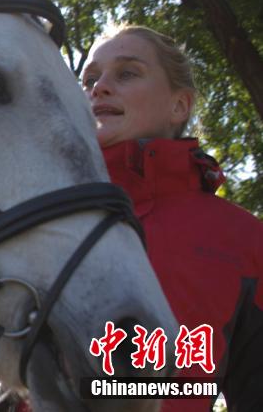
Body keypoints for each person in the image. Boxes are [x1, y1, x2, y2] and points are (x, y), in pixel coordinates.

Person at [81, 25, 263, 411]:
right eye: (91, 79)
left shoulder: (245, 242)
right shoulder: (36, 218)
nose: (99, 88)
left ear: (179, 105)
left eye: (127, 73)